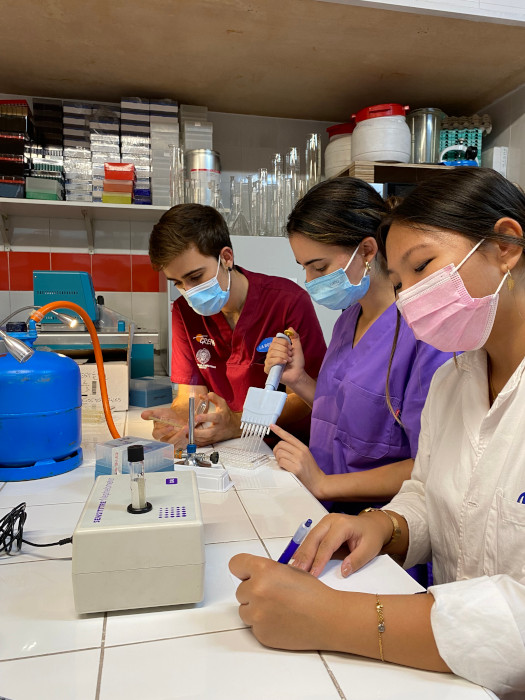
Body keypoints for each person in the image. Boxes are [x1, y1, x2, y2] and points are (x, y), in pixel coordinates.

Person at [230, 168, 525, 698]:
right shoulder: (453, 384)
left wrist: (333, 616)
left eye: (423, 267)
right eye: (400, 282)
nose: (410, 299)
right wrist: (385, 526)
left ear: (506, 246)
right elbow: (432, 497)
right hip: (452, 673)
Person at [265, 177, 452, 511]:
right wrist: (300, 380)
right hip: (326, 508)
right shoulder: (348, 320)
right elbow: (346, 414)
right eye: (304, 268)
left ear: (367, 250)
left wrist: (323, 483)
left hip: (380, 528)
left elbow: (429, 464)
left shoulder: (422, 335)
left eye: (318, 266)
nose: (309, 281)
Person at [142, 203, 326, 448]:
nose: (189, 291)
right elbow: (191, 393)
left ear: (226, 258)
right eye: (177, 282)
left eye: (196, 277)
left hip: (286, 445)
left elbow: (307, 398)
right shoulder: (184, 313)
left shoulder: (288, 302)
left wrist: (236, 424)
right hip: (227, 443)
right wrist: (180, 417)